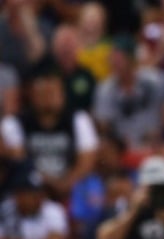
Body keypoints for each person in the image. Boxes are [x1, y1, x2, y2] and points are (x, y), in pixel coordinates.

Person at [0, 67, 99, 201]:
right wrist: (52, 183)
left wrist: (66, 184)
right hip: (30, 190)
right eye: (44, 93)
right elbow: (19, 161)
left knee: (91, 184)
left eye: (54, 92)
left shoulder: (79, 119)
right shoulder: (14, 123)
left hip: (71, 188)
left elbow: (87, 161)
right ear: (32, 95)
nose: (49, 98)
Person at [0, 167, 69, 239]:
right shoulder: (4, 210)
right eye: (32, 195)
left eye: (40, 193)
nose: (38, 198)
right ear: (18, 196)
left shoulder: (53, 210)